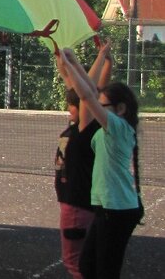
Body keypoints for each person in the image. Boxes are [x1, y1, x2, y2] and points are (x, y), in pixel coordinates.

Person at [57, 48, 143, 279]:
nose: (96, 107)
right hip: (107, 207)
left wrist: (69, 63)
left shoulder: (119, 128)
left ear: (121, 109)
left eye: (102, 105)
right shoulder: (107, 129)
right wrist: (72, 63)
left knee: (105, 270)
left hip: (118, 210)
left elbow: (87, 96)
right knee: (87, 266)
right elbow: (91, 93)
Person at [53, 41, 110, 279]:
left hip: (77, 203)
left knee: (75, 263)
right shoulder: (82, 126)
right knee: (86, 260)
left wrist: (72, 62)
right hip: (80, 201)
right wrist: (65, 61)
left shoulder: (86, 128)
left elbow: (87, 91)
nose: (69, 110)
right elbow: (78, 86)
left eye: (72, 107)